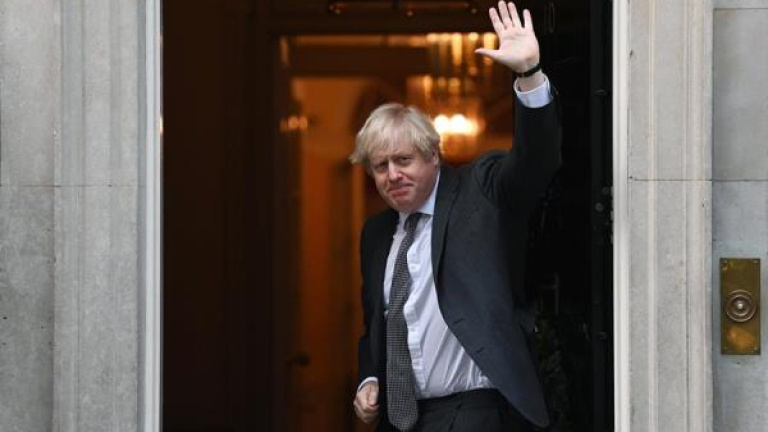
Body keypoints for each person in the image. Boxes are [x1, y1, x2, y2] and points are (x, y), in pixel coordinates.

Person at [350, 2, 561, 431]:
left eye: (403, 160)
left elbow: (536, 162)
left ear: (433, 155)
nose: (392, 175)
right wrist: (369, 379)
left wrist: (529, 74)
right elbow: (378, 325)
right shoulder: (376, 234)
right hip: (405, 420)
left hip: (476, 412)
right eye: (380, 165)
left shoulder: (479, 190)